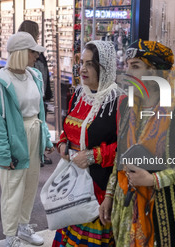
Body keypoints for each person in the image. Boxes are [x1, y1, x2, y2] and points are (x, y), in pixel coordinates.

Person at [100, 39, 175, 247]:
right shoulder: (128, 107)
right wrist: (109, 195)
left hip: (166, 214)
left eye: (136, 66)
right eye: (127, 65)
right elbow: (120, 157)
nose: (128, 72)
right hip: (127, 210)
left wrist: (154, 179)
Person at [52, 41, 124, 247]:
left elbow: (125, 147)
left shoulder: (119, 101)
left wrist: (93, 155)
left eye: (90, 64)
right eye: (81, 62)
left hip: (99, 188)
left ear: (105, 67)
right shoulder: (78, 95)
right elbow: (67, 130)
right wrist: (63, 144)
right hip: (72, 184)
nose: (82, 69)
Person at [0, 32, 55, 247]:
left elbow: (40, 113)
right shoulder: (1, 82)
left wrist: (46, 138)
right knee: (12, 188)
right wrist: (4, 153)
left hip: (34, 131)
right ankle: (10, 236)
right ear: (20, 53)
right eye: (32, 51)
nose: (36, 56)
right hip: (16, 136)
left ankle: (23, 227)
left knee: (30, 183)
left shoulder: (34, 75)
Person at [18, 20, 53, 166]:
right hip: (34, 94)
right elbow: (40, 73)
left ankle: (37, 152)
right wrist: (42, 92)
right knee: (36, 122)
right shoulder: (31, 52)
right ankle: (37, 153)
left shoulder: (26, 50)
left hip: (35, 93)